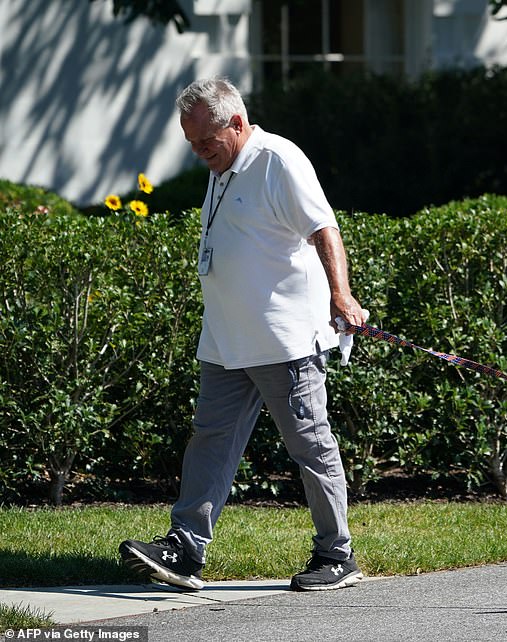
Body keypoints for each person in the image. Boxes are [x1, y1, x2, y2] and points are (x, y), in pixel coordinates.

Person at [119, 77, 366, 592]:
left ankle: (337, 555)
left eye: (206, 141)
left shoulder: (278, 159)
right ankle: (185, 548)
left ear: (236, 123)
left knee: (310, 445)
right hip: (226, 341)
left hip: (284, 341)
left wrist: (341, 297)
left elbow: (324, 227)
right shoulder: (223, 165)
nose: (199, 152)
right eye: (191, 143)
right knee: (209, 442)